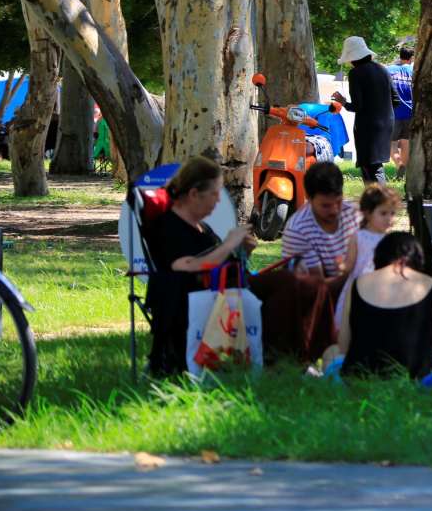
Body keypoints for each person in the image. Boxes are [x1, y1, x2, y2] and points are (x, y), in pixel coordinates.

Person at [145, 156, 256, 376]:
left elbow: (220, 259)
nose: (217, 201)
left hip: (223, 292)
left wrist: (242, 250)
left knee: (289, 284)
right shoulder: (168, 226)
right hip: (191, 298)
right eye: (215, 193)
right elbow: (185, 266)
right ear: (194, 194)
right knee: (283, 287)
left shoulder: (202, 228)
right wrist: (228, 244)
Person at [338, 232, 432, 379]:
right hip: (419, 378)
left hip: (359, 377)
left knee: (330, 354)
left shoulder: (357, 284)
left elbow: (343, 347)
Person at [273, 161, 357, 360]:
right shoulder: (298, 228)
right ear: (309, 199)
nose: (335, 210)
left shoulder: (354, 214)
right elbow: (318, 288)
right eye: (326, 205)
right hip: (320, 299)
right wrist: (351, 273)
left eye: (338, 201)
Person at [335, 184, 401, 329]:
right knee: (354, 321)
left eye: (392, 213)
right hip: (359, 286)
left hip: (382, 285)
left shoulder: (390, 239)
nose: (389, 218)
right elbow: (350, 264)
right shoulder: (359, 237)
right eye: (383, 213)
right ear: (367, 213)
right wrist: (341, 265)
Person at [331, 36, 394, 184]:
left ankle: (379, 201)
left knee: (371, 166)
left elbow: (358, 106)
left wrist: (343, 102)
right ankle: (373, 202)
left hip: (368, 126)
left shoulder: (356, 73)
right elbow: (395, 100)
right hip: (387, 123)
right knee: (374, 164)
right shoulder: (383, 70)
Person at [388, 46, 415, 171]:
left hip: (394, 112)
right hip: (410, 112)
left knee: (391, 143)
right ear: (412, 58)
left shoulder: (390, 70)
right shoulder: (414, 71)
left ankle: (400, 164)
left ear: (400, 56)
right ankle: (406, 171)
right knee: (406, 142)